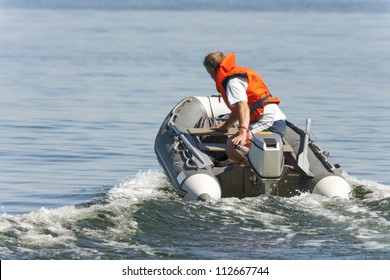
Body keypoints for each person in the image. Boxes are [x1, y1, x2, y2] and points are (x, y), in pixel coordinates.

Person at [203, 51, 286, 165]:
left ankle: (251, 170)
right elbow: (237, 112)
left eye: (209, 73)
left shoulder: (233, 82)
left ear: (212, 71)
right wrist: (226, 126)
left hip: (269, 122)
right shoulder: (237, 76)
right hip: (273, 120)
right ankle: (251, 166)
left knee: (232, 146)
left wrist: (243, 133)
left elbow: (243, 108)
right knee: (234, 144)